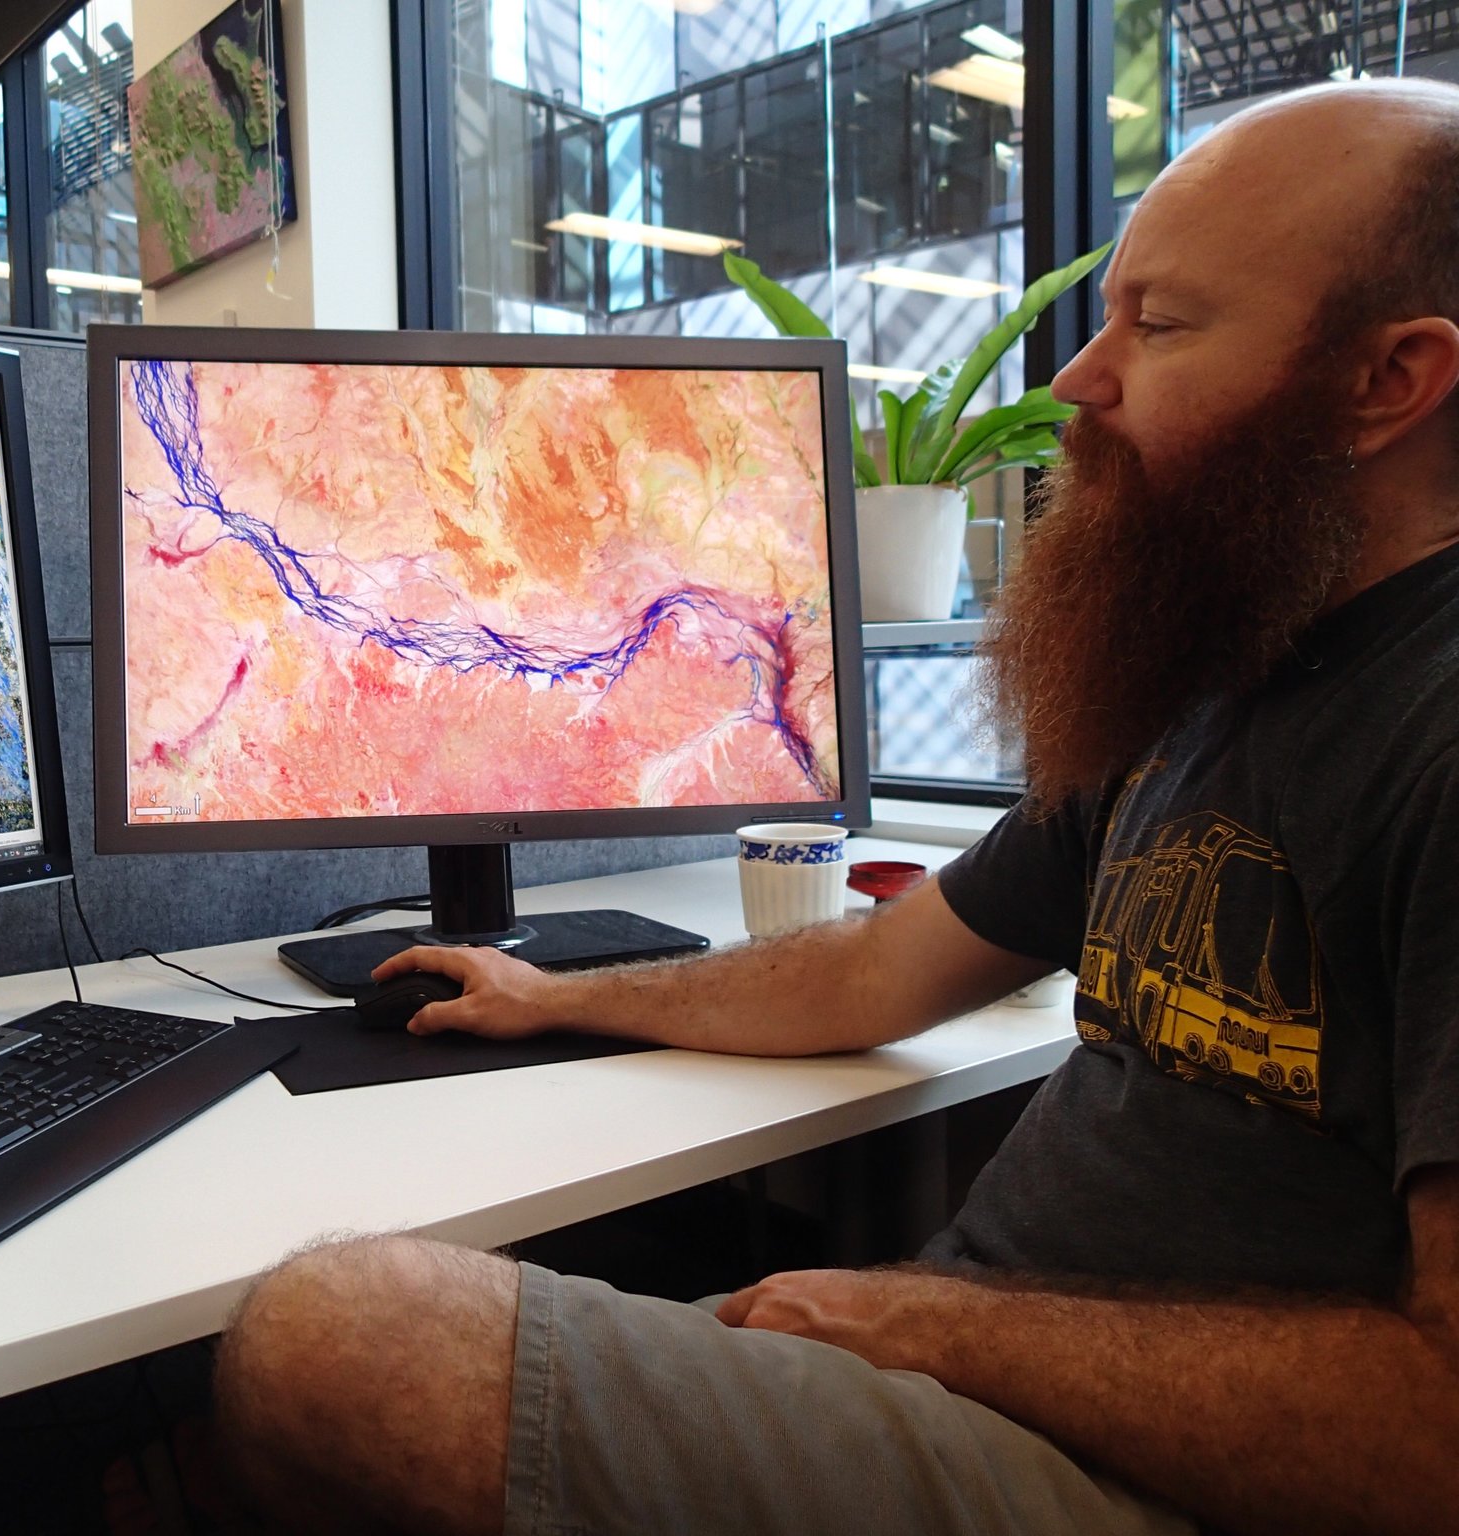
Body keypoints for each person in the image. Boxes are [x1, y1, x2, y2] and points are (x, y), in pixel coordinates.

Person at [210, 78, 1459, 1536]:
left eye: (1162, 324)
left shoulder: (1431, 732)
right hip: (977, 1356)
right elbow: (877, 968)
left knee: (336, 1334)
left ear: (1390, 379)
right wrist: (556, 997)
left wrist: (932, 1327)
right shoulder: (1221, 679)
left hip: (1141, 1467)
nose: (1079, 378)